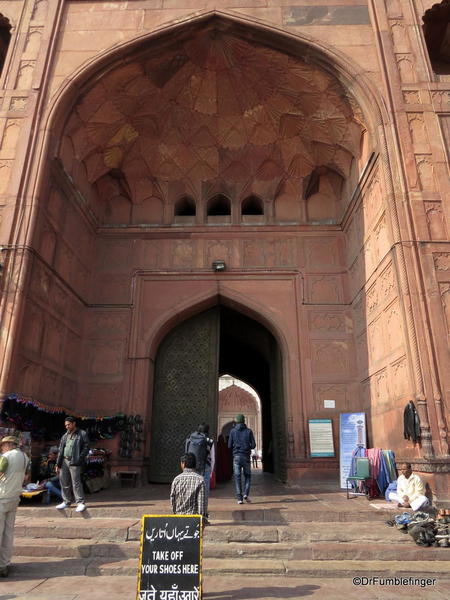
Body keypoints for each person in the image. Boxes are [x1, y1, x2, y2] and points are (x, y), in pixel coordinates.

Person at [0, 436, 29, 577]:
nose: (2, 448)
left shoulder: (6, 457)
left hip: (2, 497)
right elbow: (26, 477)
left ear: (10, 444)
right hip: (14, 497)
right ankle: (4, 564)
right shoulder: (25, 457)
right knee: (8, 533)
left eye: (3, 445)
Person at [55, 416, 89, 512]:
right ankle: (66, 502)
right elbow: (60, 450)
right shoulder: (65, 436)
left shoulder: (82, 434)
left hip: (75, 461)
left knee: (76, 482)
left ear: (74, 423)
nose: (67, 426)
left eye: (68, 424)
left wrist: (80, 458)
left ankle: (80, 502)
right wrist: (58, 464)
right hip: (64, 461)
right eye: (66, 425)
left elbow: (86, 447)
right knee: (64, 482)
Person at [185, 423, 214, 516]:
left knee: (191, 489)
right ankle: (203, 514)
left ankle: (190, 512)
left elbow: (186, 454)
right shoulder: (209, 440)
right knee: (204, 492)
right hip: (205, 467)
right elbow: (212, 458)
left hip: (191, 467)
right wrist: (211, 472)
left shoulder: (189, 438)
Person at [228, 414, 256, 504]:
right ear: (244, 421)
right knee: (247, 476)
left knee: (237, 477)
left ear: (236, 421)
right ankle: (246, 494)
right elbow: (253, 445)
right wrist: (247, 446)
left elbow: (229, 445)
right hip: (246, 456)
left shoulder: (232, 431)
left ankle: (239, 498)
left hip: (236, 456)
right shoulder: (249, 431)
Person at [170, 453, 206, 520]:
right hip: (193, 520)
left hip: (179, 518)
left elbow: (173, 500)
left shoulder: (176, 479)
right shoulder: (200, 480)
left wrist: (175, 514)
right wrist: (201, 519)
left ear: (183, 464)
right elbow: (201, 504)